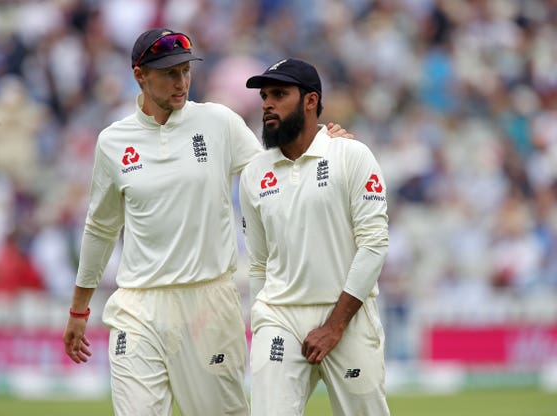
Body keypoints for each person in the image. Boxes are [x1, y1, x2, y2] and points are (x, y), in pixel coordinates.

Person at [61, 29, 350, 416]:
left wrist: (323, 143)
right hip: (137, 306)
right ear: (139, 75)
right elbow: (100, 227)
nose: (181, 82)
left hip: (208, 304)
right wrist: (79, 311)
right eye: (169, 73)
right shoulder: (114, 141)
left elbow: (275, 172)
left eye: (185, 71)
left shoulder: (217, 122)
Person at [239, 58, 391, 416]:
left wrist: (335, 326)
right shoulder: (254, 173)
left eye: (279, 94)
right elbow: (259, 260)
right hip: (280, 317)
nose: (267, 104)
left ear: (310, 101)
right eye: (264, 96)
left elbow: (374, 244)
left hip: (347, 316)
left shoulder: (351, 155)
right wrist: (261, 320)